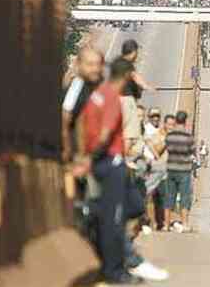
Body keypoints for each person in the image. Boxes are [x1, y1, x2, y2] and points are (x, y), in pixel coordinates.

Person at [78, 59, 138, 284]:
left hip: (103, 161)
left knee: (133, 206)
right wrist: (90, 158)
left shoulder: (98, 93)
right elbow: (104, 134)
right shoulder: (113, 98)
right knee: (114, 218)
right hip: (110, 162)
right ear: (126, 76)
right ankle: (113, 270)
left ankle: (110, 255)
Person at [62, 47, 104, 164]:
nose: (95, 69)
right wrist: (70, 153)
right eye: (90, 65)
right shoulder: (77, 86)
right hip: (78, 157)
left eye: (98, 64)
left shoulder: (95, 86)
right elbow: (65, 118)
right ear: (79, 65)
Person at [164, 111, 196, 233]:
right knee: (184, 197)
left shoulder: (170, 135)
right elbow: (192, 151)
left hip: (171, 168)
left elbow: (167, 147)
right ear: (185, 121)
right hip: (184, 170)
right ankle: (184, 223)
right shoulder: (188, 137)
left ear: (176, 120)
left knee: (169, 197)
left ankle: (166, 225)